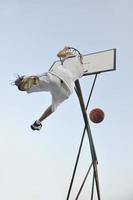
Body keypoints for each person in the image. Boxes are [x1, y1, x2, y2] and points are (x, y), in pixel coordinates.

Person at [14, 47, 86, 131]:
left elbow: (59, 54)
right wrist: (80, 60)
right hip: (67, 90)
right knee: (53, 107)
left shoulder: (71, 56)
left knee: (40, 79)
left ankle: (23, 80)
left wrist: (65, 49)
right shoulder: (82, 71)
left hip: (58, 76)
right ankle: (38, 122)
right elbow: (76, 69)